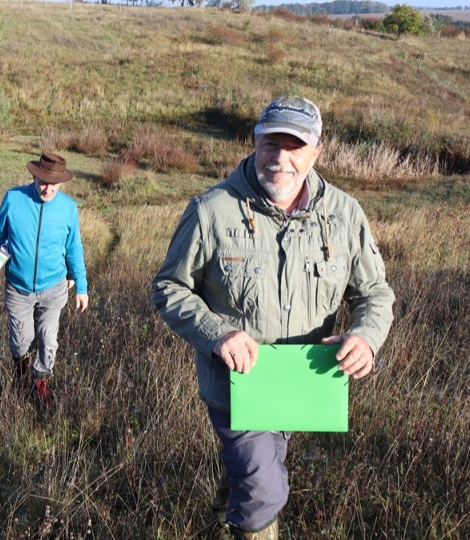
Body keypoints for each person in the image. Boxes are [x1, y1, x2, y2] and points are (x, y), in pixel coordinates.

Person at [151, 96, 394, 539]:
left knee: (258, 470)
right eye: (269, 145)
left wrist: (366, 337)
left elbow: (374, 292)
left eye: (294, 146)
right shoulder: (212, 211)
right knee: (265, 491)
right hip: (234, 388)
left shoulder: (344, 215)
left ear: (317, 150)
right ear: (254, 143)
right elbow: (168, 287)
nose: (279, 159)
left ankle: (227, 506)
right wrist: (217, 333)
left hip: (302, 388)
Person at [0, 152, 89, 405]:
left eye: (54, 184)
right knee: (21, 339)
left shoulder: (68, 207)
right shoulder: (14, 199)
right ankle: (21, 374)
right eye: (43, 182)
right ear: (34, 177)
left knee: (48, 338)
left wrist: (81, 285)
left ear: (62, 182)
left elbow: (74, 247)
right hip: (18, 287)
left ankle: (41, 382)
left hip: (54, 287)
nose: (48, 189)